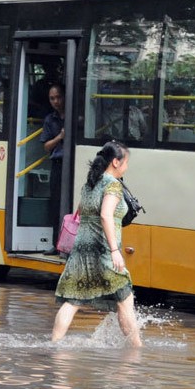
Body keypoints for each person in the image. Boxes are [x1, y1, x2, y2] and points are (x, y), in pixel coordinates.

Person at [51, 140, 142, 347]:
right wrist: (114, 250)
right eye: (126, 162)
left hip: (81, 250)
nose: (127, 167)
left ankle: (54, 344)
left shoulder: (90, 183)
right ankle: (137, 350)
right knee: (125, 299)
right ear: (116, 162)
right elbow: (105, 216)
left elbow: (82, 212)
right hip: (103, 251)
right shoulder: (112, 185)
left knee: (72, 301)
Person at [40, 83, 66, 255]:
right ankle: (56, 243)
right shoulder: (50, 119)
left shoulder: (76, 115)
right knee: (56, 204)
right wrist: (60, 136)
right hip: (58, 164)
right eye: (52, 98)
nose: (56, 101)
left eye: (58, 97)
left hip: (73, 163)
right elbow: (47, 146)